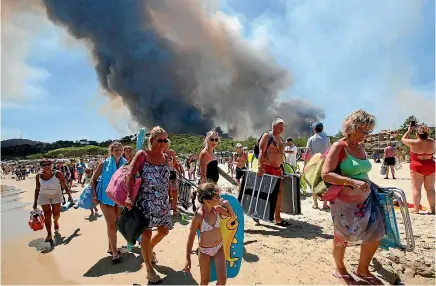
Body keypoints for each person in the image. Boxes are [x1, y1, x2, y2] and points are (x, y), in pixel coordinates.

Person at [321, 109, 385, 285]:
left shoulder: (362, 147)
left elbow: (362, 173)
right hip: (344, 203)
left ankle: (362, 269)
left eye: (369, 131)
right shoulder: (339, 147)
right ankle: (340, 269)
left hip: (367, 200)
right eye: (363, 131)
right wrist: (352, 182)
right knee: (342, 238)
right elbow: (326, 174)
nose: (366, 135)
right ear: (351, 127)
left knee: (376, 233)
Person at [125, 126, 171, 284]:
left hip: (163, 202)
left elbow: (166, 180)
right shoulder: (142, 155)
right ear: (152, 140)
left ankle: (149, 250)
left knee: (164, 231)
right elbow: (130, 176)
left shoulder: (165, 157)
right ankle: (149, 270)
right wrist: (129, 197)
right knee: (146, 235)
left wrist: (172, 198)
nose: (163, 143)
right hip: (146, 201)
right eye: (160, 140)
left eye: (165, 140)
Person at [184, 183, 234, 285]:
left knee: (222, 281)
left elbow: (231, 215)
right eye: (217, 197)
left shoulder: (217, 209)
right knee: (204, 281)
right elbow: (191, 238)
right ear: (208, 201)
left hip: (219, 249)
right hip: (204, 251)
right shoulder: (199, 216)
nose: (220, 198)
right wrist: (187, 258)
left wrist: (228, 205)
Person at [91, 142, 126, 263]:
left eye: (120, 149)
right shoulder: (104, 163)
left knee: (115, 224)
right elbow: (93, 179)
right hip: (105, 198)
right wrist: (94, 194)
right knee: (111, 224)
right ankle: (115, 252)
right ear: (111, 151)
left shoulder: (125, 163)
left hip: (119, 198)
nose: (118, 151)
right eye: (115, 149)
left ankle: (110, 247)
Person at [257, 118, 288, 226]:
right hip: (267, 168)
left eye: (283, 127)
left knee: (278, 193)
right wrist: (260, 166)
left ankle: (277, 218)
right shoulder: (267, 136)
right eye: (279, 126)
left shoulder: (279, 139)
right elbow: (261, 151)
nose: (281, 129)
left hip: (278, 169)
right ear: (273, 126)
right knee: (266, 193)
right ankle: (257, 213)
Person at [33, 159, 73, 243]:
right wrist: (35, 203)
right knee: (47, 215)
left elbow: (64, 184)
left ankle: (56, 221)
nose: (47, 166)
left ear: (51, 165)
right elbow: (37, 189)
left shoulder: (58, 173)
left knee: (56, 214)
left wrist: (69, 196)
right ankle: (49, 234)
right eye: (44, 165)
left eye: (48, 164)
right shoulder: (38, 176)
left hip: (56, 194)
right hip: (43, 195)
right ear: (41, 167)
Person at [402, 124, 435, 214]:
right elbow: (429, 138)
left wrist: (408, 131)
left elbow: (403, 139)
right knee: (430, 189)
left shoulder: (413, 142)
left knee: (416, 189)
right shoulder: (432, 142)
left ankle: (416, 209)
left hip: (417, 166)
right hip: (430, 165)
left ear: (417, 134)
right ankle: (433, 209)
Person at [305, 122, 331, 209]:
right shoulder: (327, 139)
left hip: (314, 163)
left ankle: (315, 204)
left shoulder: (311, 139)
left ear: (314, 129)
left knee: (314, 183)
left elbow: (307, 153)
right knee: (324, 183)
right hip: (325, 162)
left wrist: (305, 164)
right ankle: (325, 204)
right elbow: (330, 151)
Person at [165, 140, 183, 216]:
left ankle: (175, 208)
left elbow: (175, 163)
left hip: (172, 174)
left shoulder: (171, 152)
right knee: (165, 193)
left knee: (175, 192)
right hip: (163, 176)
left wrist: (179, 173)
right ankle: (166, 209)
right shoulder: (159, 152)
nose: (165, 144)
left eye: (166, 143)